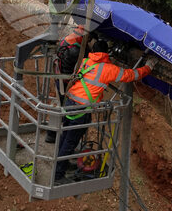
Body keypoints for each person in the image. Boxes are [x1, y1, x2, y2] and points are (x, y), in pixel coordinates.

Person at [53, 39, 151, 183]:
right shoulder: (108, 69)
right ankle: (58, 174)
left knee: (65, 134)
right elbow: (131, 75)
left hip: (70, 102)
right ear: (105, 53)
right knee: (71, 141)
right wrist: (148, 67)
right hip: (82, 108)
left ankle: (61, 163)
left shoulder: (86, 61)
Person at [46, 21, 88, 143]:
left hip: (60, 78)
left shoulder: (68, 40)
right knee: (65, 108)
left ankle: (52, 134)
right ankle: (55, 135)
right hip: (66, 83)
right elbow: (82, 64)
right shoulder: (74, 51)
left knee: (60, 106)